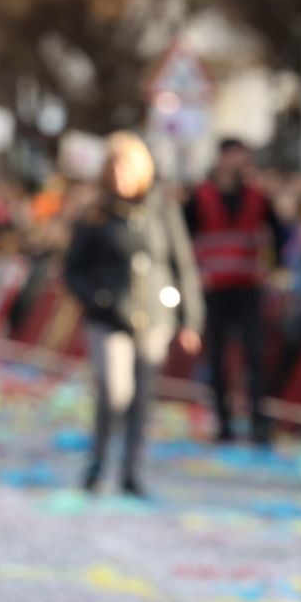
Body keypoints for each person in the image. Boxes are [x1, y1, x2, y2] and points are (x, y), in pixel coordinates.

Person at [64, 132, 204, 497]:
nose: (121, 174)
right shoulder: (94, 214)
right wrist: (96, 298)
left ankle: (131, 470)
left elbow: (182, 265)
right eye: (115, 167)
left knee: (142, 397)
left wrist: (191, 320)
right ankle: (97, 463)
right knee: (114, 391)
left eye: (127, 166)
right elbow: (72, 270)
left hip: (155, 315)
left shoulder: (162, 209)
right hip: (109, 317)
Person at [185, 138, 284, 443]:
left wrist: (273, 266)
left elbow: (278, 233)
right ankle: (223, 423)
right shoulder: (199, 198)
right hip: (213, 290)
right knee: (216, 358)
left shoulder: (257, 197)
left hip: (247, 288)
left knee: (254, 356)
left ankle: (258, 422)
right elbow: (182, 239)